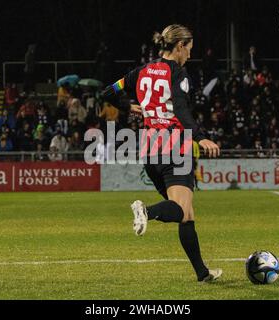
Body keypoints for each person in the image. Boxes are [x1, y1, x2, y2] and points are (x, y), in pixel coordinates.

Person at [103, 24, 222, 283]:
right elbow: (180, 109)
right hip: (175, 148)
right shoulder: (178, 74)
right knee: (180, 209)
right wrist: (200, 138)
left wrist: (128, 106)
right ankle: (146, 211)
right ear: (179, 46)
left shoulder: (142, 71)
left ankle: (203, 273)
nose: (190, 54)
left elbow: (108, 92)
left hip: (150, 149)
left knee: (186, 213)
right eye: (189, 49)